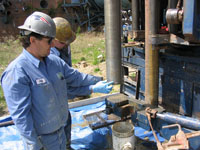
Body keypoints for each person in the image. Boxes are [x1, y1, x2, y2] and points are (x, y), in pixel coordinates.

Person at [0, 11, 113, 150]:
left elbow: (75, 77)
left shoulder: (54, 61)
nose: (53, 45)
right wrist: (34, 146)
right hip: (44, 141)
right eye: (49, 41)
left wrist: (97, 82)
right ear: (32, 40)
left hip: (61, 133)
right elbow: (22, 117)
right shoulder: (17, 72)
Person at [51, 17, 103, 150]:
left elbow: (70, 74)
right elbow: (65, 86)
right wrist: (91, 86)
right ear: (53, 40)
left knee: (66, 119)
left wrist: (93, 81)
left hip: (62, 93)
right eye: (63, 43)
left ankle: (67, 145)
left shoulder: (64, 47)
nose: (67, 45)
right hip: (52, 99)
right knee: (57, 126)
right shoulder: (50, 58)